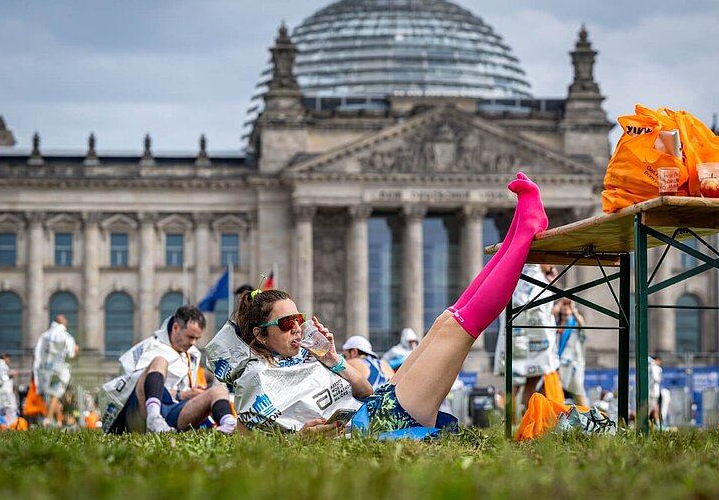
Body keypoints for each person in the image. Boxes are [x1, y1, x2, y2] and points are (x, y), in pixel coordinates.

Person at [207, 172, 548, 436]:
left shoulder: (303, 358)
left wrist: (333, 359)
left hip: (374, 405)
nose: (297, 328)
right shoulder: (254, 378)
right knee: (458, 329)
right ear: (260, 334)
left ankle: (522, 226)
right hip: (375, 425)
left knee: (445, 321)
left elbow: (365, 389)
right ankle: (525, 230)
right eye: (285, 324)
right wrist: (302, 438)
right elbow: (247, 436)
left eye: (298, 318)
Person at [99, 305, 237, 434]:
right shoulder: (149, 347)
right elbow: (133, 385)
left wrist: (193, 395)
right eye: (190, 337)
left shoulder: (192, 355)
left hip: (174, 412)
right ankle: (154, 419)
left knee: (220, 390)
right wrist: (182, 395)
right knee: (160, 361)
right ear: (175, 327)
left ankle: (229, 425)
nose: (193, 343)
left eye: (197, 338)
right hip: (142, 409)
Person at [494, 264, 560, 412]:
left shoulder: (519, 276)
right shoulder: (533, 277)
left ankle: (517, 417)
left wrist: (550, 281)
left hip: (522, 340)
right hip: (532, 341)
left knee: (519, 384)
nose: (552, 267)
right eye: (550, 264)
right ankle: (518, 416)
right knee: (522, 383)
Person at [33, 314, 78, 426]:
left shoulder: (44, 335)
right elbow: (71, 354)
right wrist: (76, 350)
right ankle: (47, 420)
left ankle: (58, 421)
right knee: (56, 395)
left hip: (45, 370)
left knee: (53, 396)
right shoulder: (66, 336)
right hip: (60, 370)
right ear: (63, 322)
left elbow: (38, 352)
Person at [555, 299, 588, 406]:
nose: (566, 307)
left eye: (568, 305)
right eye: (564, 305)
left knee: (578, 392)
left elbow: (582, 325)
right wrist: (559, 304)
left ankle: (587, 413)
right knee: (555, 393)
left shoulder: (575, 323)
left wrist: (574, 309)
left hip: (573, 364)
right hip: (557, 364)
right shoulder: (556, 323)